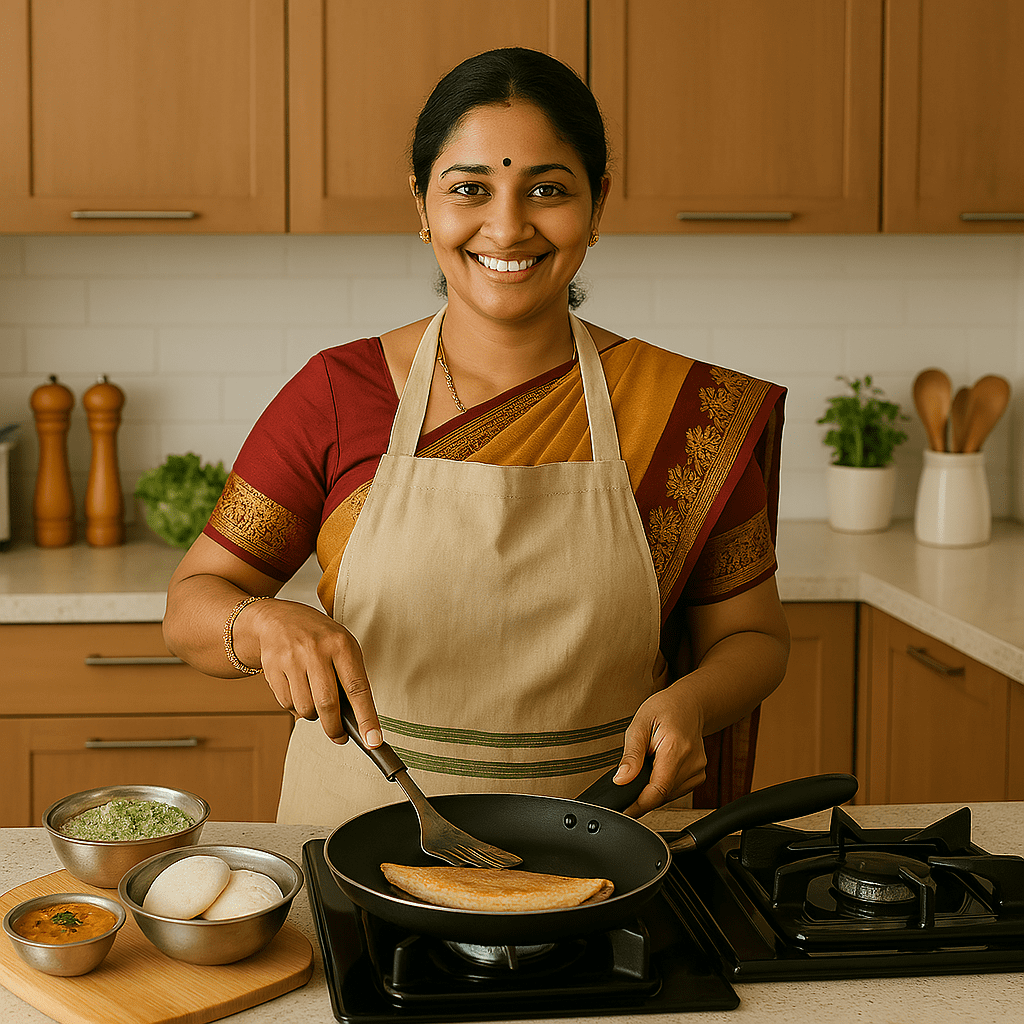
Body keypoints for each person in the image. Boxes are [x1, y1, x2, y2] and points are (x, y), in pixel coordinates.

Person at [162, 47, 790, 825]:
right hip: (358, 840)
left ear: (597, 205)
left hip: (604, 850)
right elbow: (190, 607)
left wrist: (693, 699)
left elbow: (754, 638)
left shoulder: (689, 411)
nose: (507, 225)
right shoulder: (337, 393)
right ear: (422, 205)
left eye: (548, 190)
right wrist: (257, 621)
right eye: (470, 189)